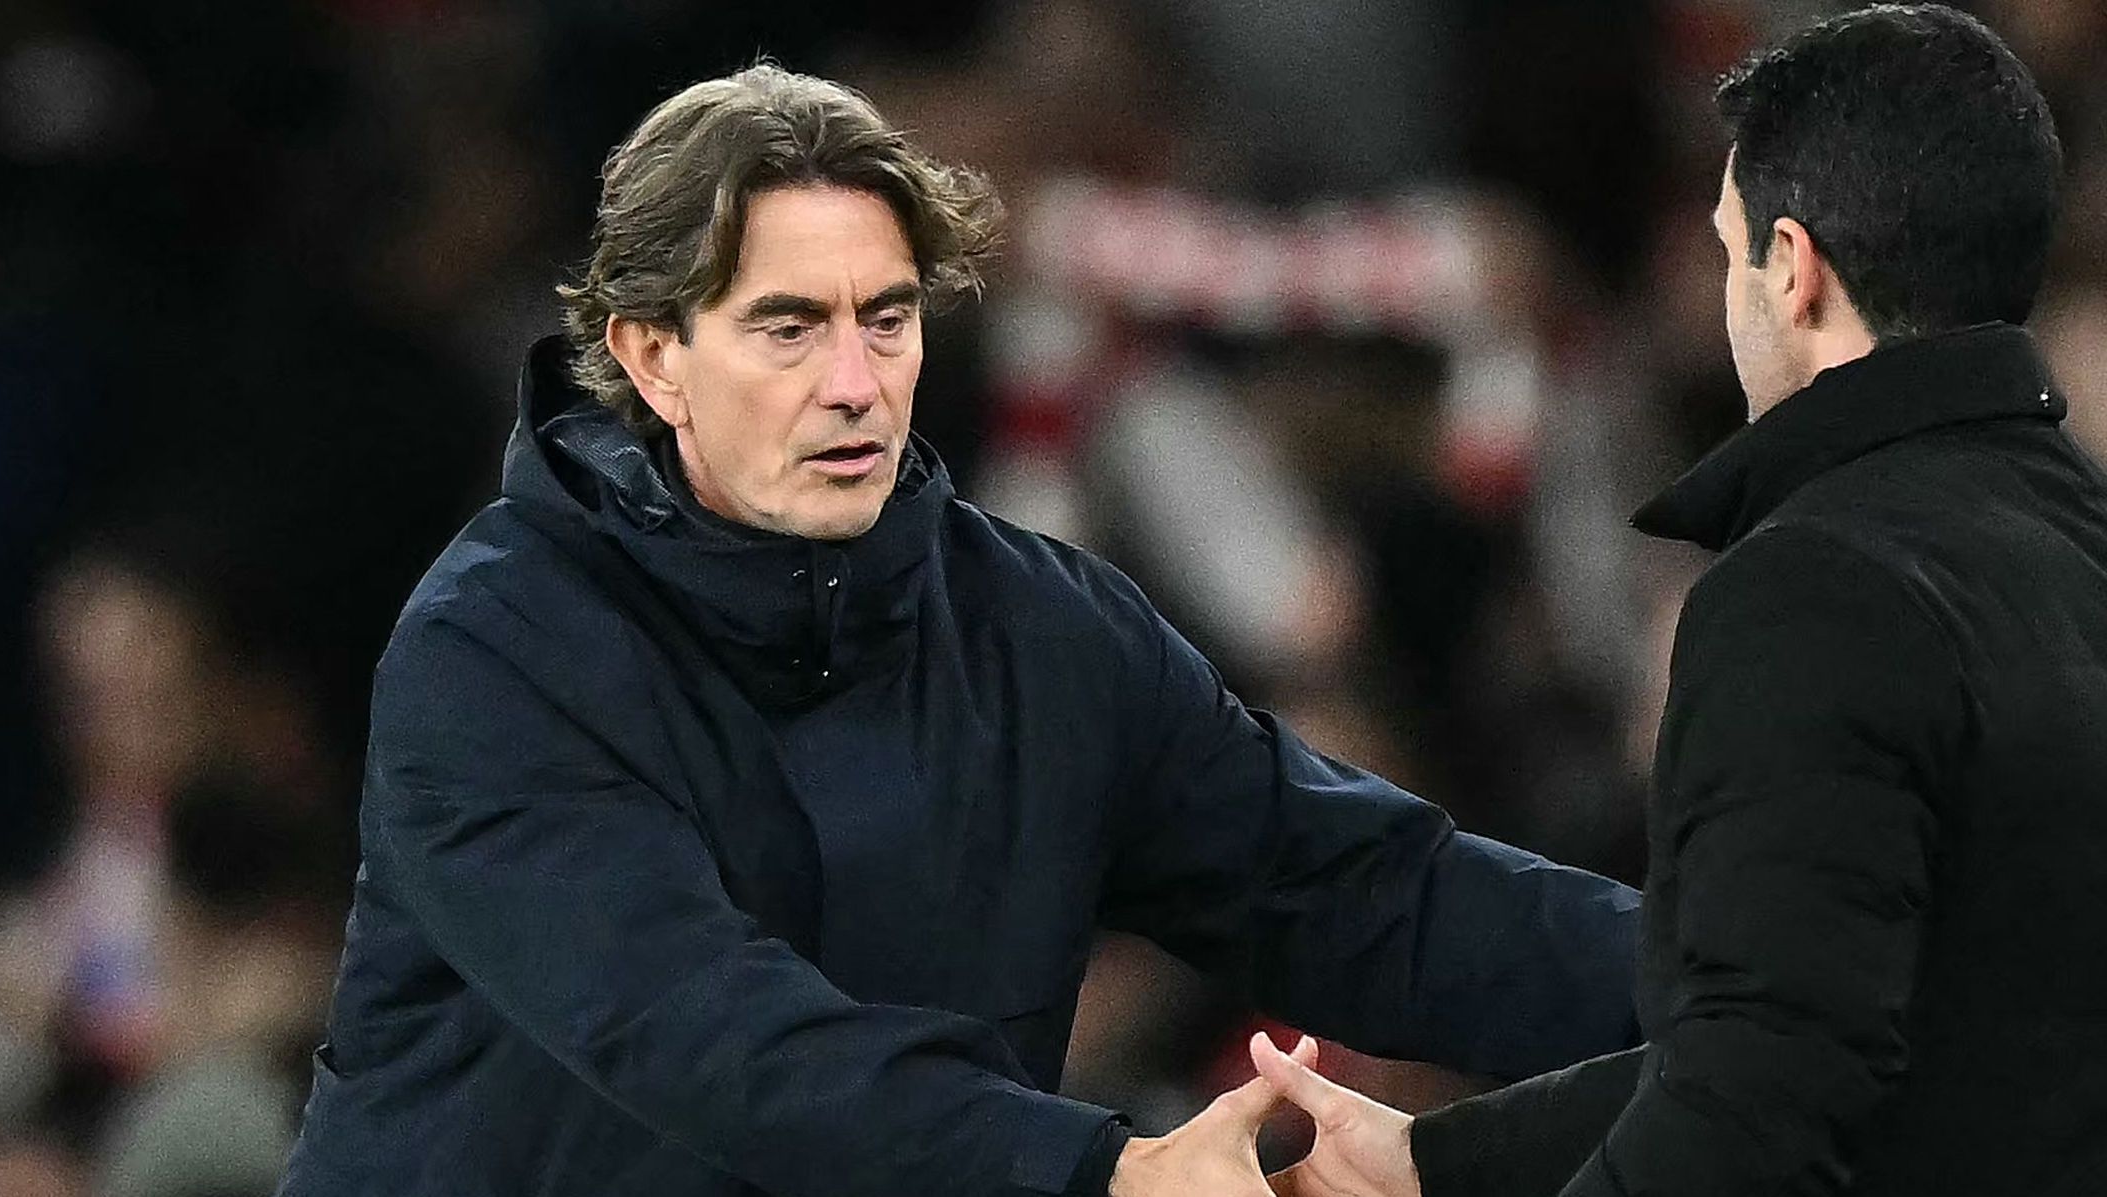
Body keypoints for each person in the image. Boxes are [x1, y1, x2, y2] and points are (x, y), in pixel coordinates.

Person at [274, 64, 1641, 1197]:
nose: (854, 384)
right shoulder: (496, 649)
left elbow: (1364, 894)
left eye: (886, 319)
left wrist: (1726, 973)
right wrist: (1101, 1173)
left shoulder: (1039, 628)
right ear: (652, 354)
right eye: (788, 328)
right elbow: (703, 1032)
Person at [1242, 6, 2107, 1196]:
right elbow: (1925, 1035)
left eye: (1727, 252)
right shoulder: (2077, 547)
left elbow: (1754, 1107)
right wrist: (1433, 1159)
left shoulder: (1816, 588)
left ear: (1792, 269)